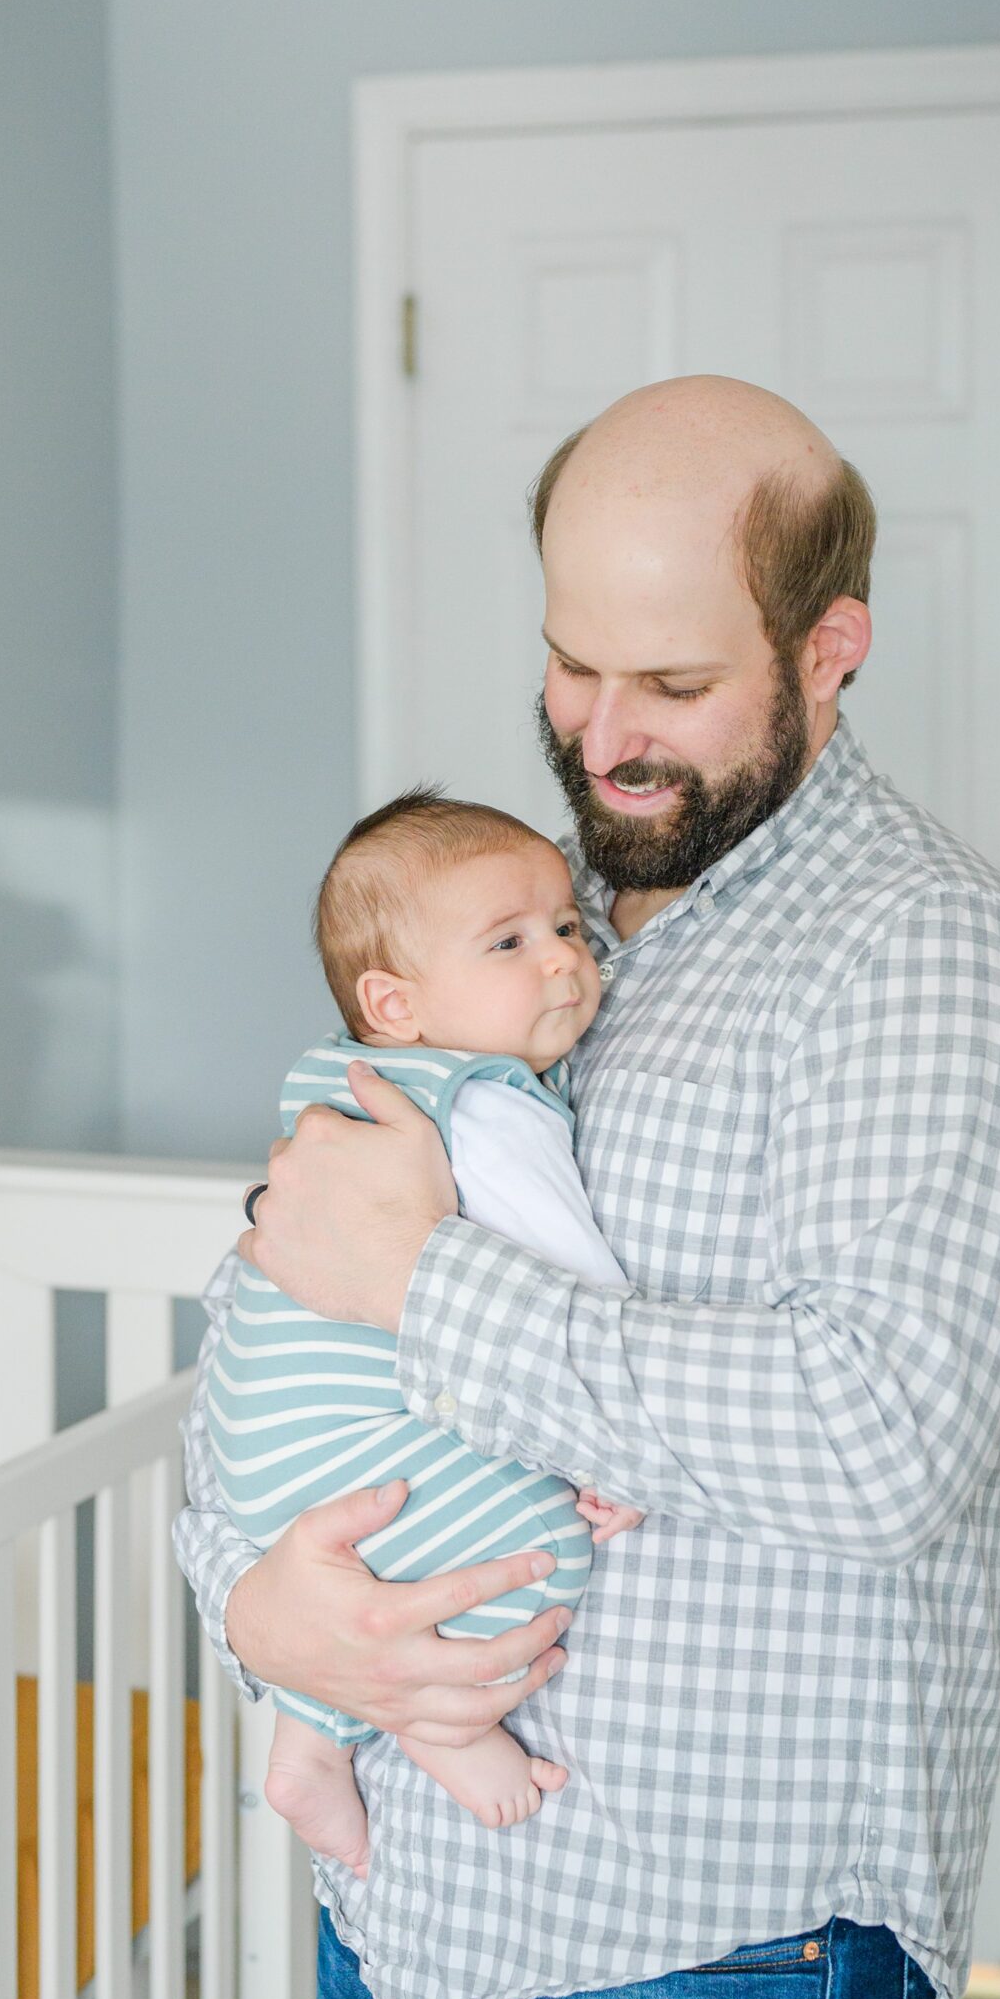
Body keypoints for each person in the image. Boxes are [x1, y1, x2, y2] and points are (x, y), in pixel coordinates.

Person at [176, 375, 1000, 1999]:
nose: (600, 735)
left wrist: (429, 1280)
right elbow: (273, 1318)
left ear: (826, 646)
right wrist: (256, 1613)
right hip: (398, 1929)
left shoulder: (934, 965)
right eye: (568, 662)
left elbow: (875, 1440)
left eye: (673, 687)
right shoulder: (487, 913)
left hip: (705, 1988)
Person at [210, 791, 641, 1875]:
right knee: (538, 1560)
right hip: (367, 1448)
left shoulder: (335, 1087)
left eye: (567, 929)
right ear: (393, 1002)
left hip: (267, 1450)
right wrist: (615, 1457)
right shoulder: (489, 1106)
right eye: (508, 942)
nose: (560, 961)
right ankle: (443, 1728)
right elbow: (574, 1294)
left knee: (367, 1571)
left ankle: (306, 1747)